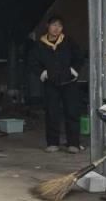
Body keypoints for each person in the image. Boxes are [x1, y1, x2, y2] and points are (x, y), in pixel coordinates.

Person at [28, 15, 86, 154]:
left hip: (69, 82)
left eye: (59, 26)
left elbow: (79, 57)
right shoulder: (40, 45)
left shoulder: (68, 42)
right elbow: (32, 62)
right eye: (54, 25)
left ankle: (73, 143)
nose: (56, 28)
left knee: (72, 112)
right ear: (47, 26)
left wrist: (74, 71)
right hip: (51, 83)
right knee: (51, 112)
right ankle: (53, 143)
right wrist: (42, 73)